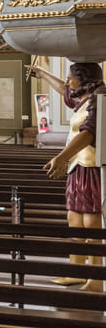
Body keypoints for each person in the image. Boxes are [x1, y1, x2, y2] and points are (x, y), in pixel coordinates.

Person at [31, 60, 104, 291]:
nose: (68, 81)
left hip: (91, 166)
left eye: (72, 77)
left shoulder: (99, 98)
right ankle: (77, 271)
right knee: (74, 219)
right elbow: (64, 90)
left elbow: (88, 133)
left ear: (84, 78)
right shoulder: (83, 98)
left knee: (92, 222)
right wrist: (42, 73)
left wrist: (61, 157)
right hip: (77, 167)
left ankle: (96, 277)